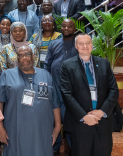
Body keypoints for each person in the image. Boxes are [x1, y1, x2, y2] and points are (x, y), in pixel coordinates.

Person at [0, 45, 61, 156]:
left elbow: (55, 103)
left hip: (42, 131)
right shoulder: (7, 75)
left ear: (33, 56)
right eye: (21, 55)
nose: (24, 58)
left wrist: (57, 127)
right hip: (14, 130)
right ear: (17, 58)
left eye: (27, 54)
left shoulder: (46, 75)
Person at [60, 33, 119, 156]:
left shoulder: (104, 64)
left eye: (87, 43)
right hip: (80, 124)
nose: (85, 46)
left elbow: (113, 90)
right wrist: (84, 116)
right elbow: (66, 94)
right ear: (76, 46)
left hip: (102, 122)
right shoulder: (67, 66)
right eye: (81, 43)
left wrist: (102, 112)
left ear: (92, 45)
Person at [45, 19, 79, 152]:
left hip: (73, 90)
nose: (66, 28)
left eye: (69, 26)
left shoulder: (78, 44)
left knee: (71, 121)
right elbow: (47, 64)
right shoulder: (53, 44)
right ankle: (55, 147)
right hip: (55, 87)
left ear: (74, 29)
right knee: (54, 119)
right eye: (63, 26)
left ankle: (73, 148)